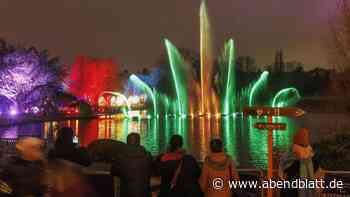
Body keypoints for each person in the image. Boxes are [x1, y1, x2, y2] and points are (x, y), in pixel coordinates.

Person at [279, 128, 322, 197]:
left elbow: (285, 168)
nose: (306, 137)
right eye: (305, 135)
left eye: (307, 135)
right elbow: (316, 168)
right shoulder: (308, 153)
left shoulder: (291, 152)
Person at [110, 133, 153, 197]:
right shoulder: (148, 156)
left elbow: (113, 171)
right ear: (139, 142)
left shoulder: (120, 157)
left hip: (127, 192)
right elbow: (151, 170)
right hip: (144, 192)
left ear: (127, 142)